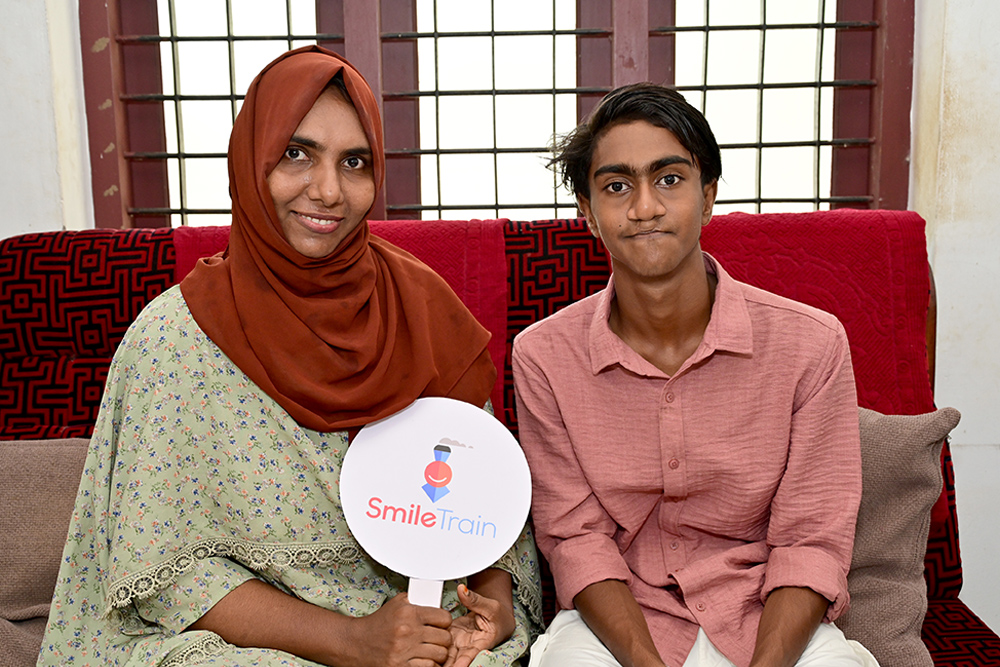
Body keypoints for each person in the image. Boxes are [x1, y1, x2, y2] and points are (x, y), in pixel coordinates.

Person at [37, 46, 541, 667]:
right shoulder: (175, 339)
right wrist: (354, 642)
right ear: (252, 161)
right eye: (297, 154)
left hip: (425, 631)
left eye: (354, 162)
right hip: (254, 645)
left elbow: (484, 499)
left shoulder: (423, 309)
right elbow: (169, 573)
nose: (328, 191)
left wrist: (488, 608)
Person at [511, 83, 877, 667]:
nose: (645, 207)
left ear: (707, 197)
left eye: (670, 179)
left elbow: (810, 539)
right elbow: (575, 539)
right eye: (616, 186)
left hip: (768, 614)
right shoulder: (542, 356)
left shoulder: (813, 343)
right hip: (621, 622)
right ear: (587, 212)